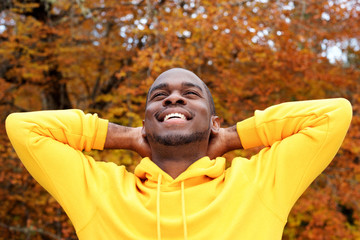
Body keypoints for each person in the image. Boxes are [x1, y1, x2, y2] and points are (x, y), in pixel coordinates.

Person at [6, 68, 352, 240]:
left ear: (213, 120)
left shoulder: (257, 184)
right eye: (160, 96)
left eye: (190, 93)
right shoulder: (101, 191)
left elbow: (333, 115)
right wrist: (128, 136)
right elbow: (24, 128)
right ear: (145, 121)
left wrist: (231, 137)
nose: (173, 99)